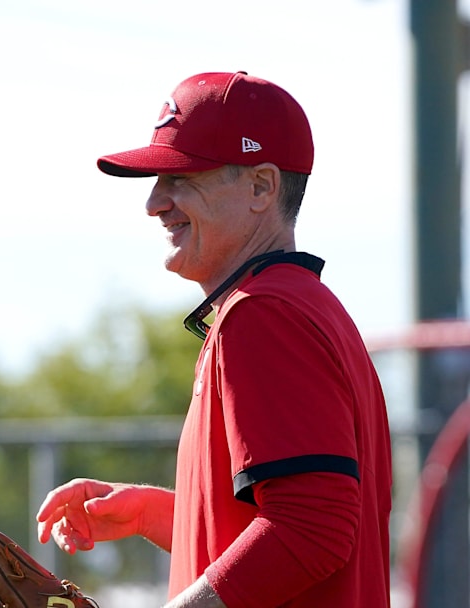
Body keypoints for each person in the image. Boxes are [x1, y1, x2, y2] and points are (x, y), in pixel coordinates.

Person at [36, 72, 392, 607]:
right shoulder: (301, 305)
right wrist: (155, 513)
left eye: (181, 176)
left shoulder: (264, 314)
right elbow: (291, 525)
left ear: (261, 187)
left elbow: (312, 529)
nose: (155, 203)